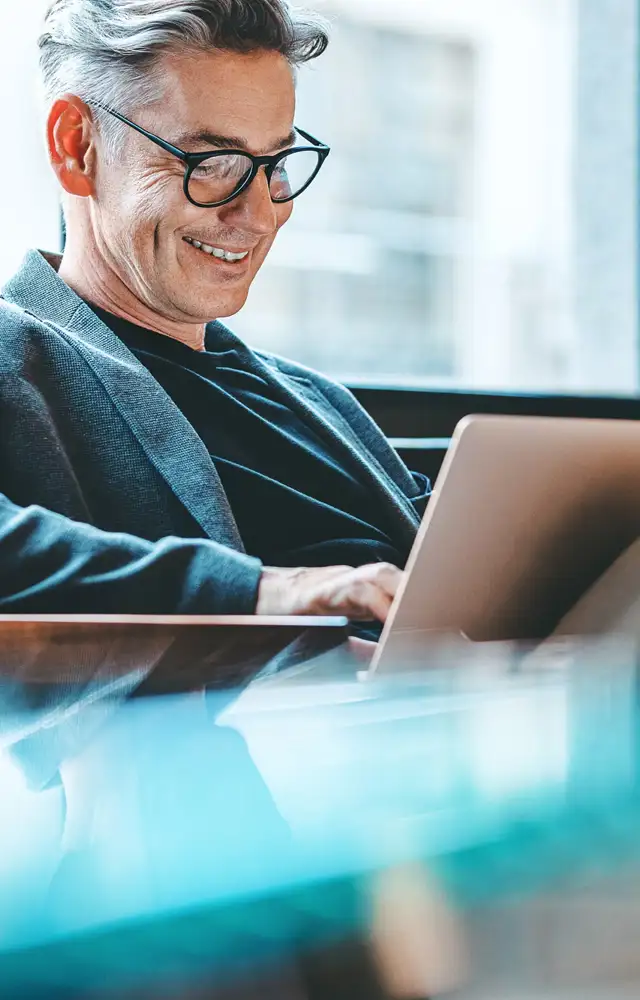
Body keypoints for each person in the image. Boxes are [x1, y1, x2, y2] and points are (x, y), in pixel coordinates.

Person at [0, 0, 429, 633]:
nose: (258, 217)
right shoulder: (17, 358)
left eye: (274, 166)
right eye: (213, 165)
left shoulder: (319, 404)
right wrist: (263, 596)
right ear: (77, 147)